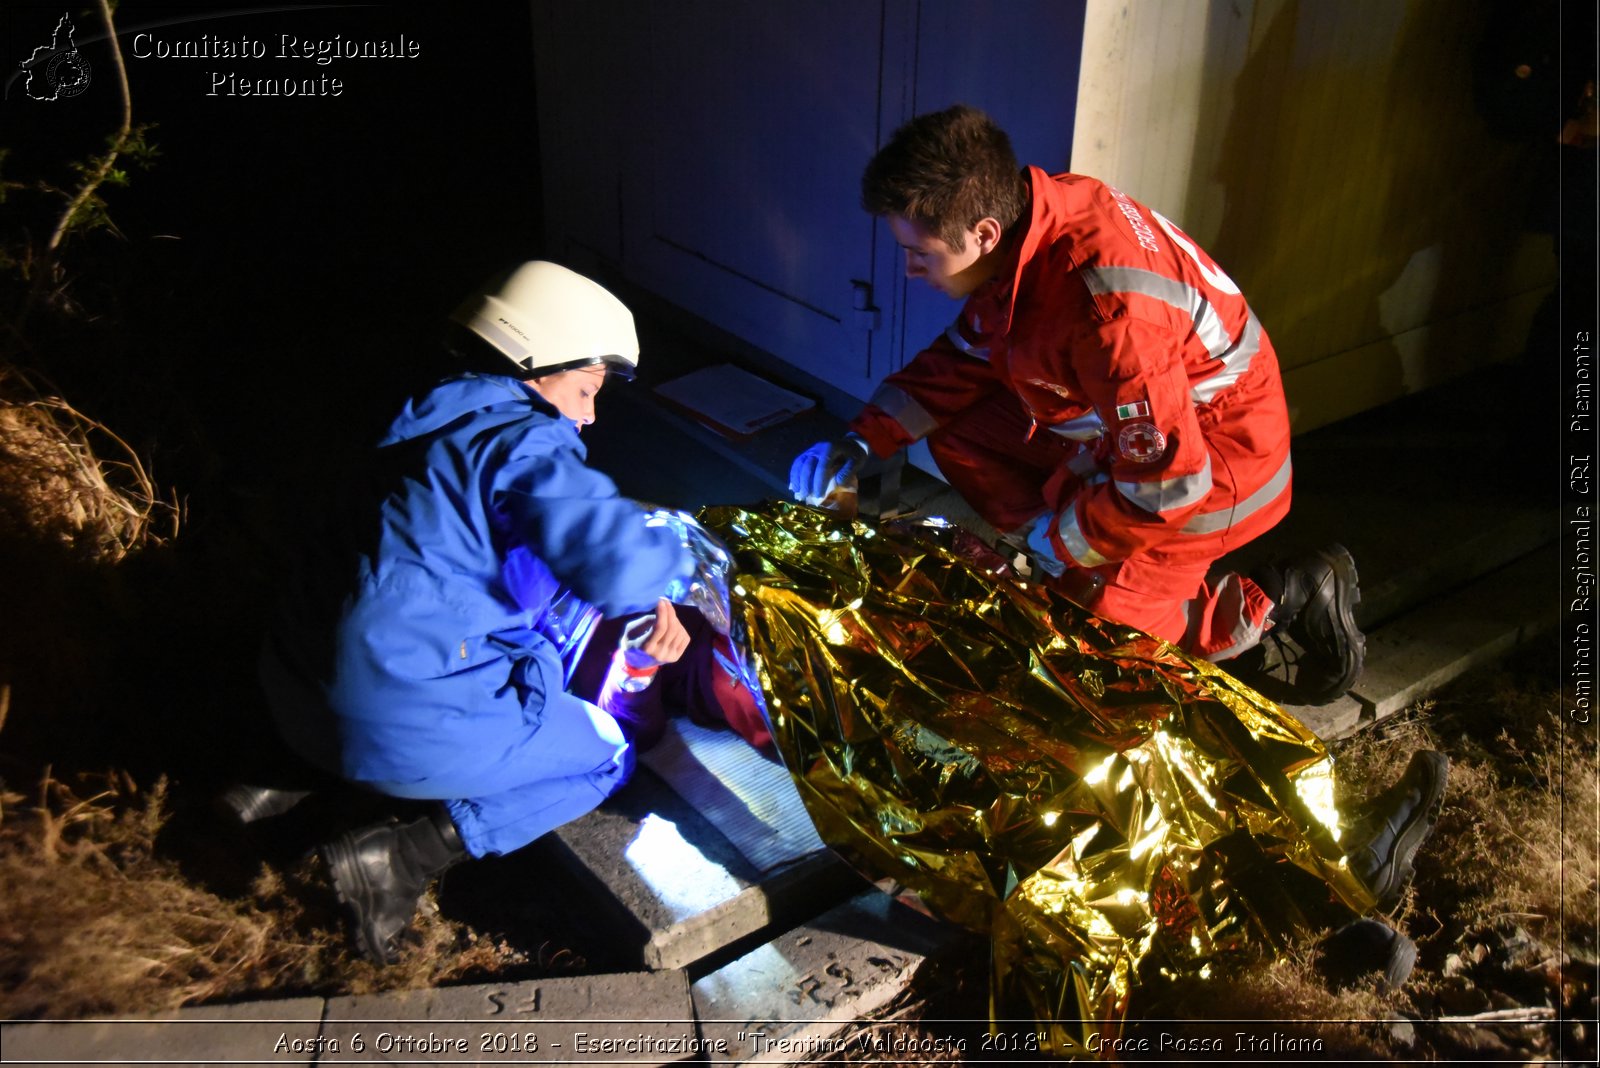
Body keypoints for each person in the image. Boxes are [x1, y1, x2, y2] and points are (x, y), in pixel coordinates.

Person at [790, 105, 1363, 705]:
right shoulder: (1032, 227)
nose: (908, 271)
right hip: (1146, 435)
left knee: (1106, 654)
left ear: (984, 233)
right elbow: (963, 360)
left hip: (1223, 467)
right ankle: (1095, 570)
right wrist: (860, 442)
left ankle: (1271, 602)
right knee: (960, 429)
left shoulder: (1107, 315)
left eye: (921, 253)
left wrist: (1062, 544)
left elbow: (1168, 484)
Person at [242, 261, 701, 963]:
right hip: (377, 726)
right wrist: (668, 570)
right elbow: (618, 561)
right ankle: (397, 859)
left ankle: (270, 789)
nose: (589, 414)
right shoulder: (520, 441)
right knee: (605, 753)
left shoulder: (416, 414)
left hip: (287, 691)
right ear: (537, 359)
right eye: (586, 388)